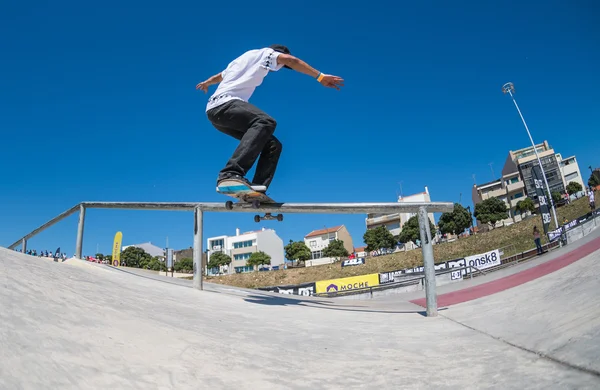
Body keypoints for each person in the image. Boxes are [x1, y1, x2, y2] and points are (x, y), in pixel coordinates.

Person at [196, 44, 344, 192]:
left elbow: (220, 76)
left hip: (216, 113)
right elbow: (290, 60)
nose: (279, 66)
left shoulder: (239, 61)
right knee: (265, 122)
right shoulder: (266, 53)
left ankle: (256, 190)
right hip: (226, 105)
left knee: (272, 144)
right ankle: (230, 173)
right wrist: (320, 77)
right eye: (281, 64)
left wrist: (207, 83)